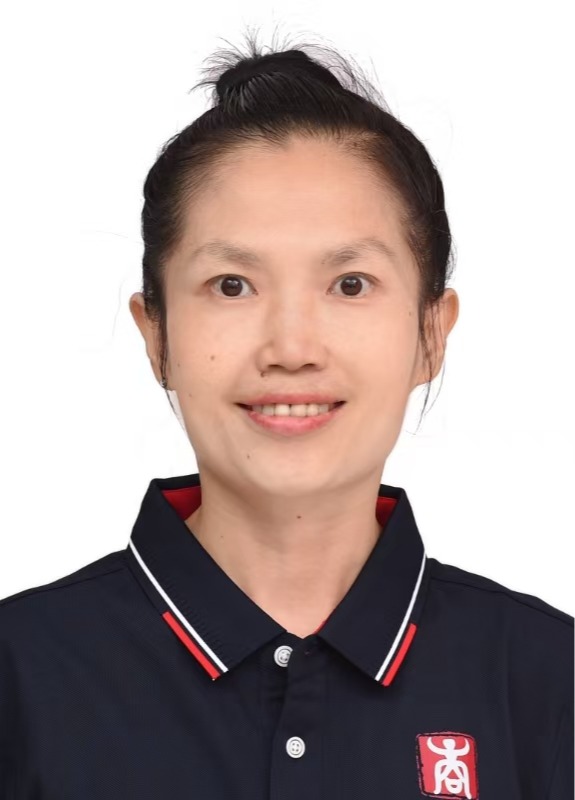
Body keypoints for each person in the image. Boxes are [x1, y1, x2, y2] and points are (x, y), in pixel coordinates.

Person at [0, 29, 572, 799]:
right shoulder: (20, 676)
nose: (291, 348)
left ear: (430, 335)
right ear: (156, 335)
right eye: (232, 285)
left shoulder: (546, 681)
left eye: (349, 284)